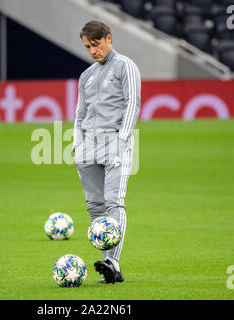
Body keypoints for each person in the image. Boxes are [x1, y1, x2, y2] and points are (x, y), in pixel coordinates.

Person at [73, 20, 141, 284]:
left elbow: (132, 104)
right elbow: (80, 115)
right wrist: (78, 149)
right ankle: (107, 263)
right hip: (88, 148)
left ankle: (113, 262)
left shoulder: (125, 66)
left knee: (114, 202)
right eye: (88, 46)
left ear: (109, 39)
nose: (93, 51)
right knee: (94, 207)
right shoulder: (86, 75)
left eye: (96, 44)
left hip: (115, 143)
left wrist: (123, 140)